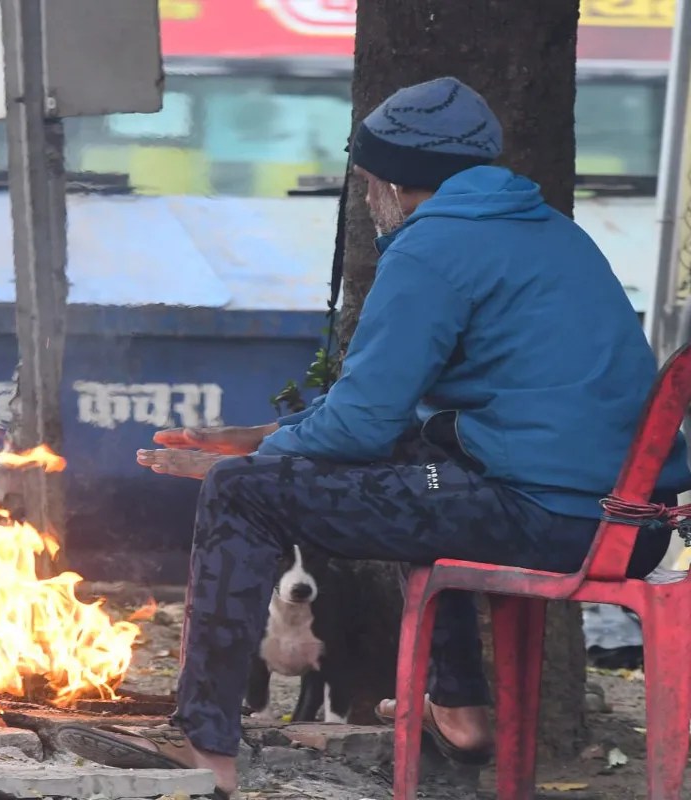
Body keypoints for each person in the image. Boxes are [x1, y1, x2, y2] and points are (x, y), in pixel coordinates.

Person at [54, 76, 691, 796]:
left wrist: (255, 460)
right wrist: (269, 433)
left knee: (242, 494)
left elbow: (361, 424)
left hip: (551, 519)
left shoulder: (430, 249)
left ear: (391, 181)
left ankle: (204, 745)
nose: (365, 199)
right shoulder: (551, 231)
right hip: (632, 521)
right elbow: (394, 421)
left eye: (364, 182)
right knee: (417, 470)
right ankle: (459, 707)